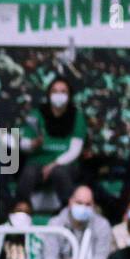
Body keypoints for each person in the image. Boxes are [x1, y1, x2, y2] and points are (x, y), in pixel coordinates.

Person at [17, 75, 83, 207]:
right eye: (55, 91)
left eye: (63, 91)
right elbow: (22, 143)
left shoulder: (77, 116)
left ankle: (68, 208)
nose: (59, 95)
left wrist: (54, 164)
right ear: (49, 94)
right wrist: (33, 144)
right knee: (29, 173)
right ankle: (20, 209)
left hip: (64, 164)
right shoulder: (36, 115)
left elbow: (75, 149)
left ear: (70, 95)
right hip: (37, 163)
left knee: (59, 173)